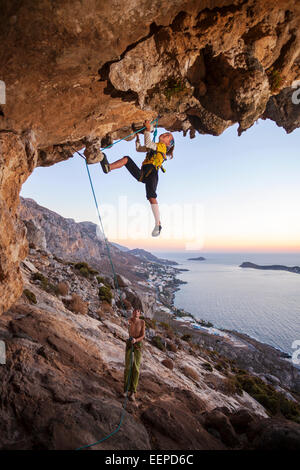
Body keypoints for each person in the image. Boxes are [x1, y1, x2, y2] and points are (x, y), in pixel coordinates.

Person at [99, 120, 175, 237]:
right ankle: (108, 168)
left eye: (167, 136)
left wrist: (147, 130)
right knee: (127, 159)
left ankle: (158, 223)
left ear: (167, 144)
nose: (165, 134)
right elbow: (140, 149)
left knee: (151, 196)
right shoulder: (157, 146)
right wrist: (138, 139)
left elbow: (149, 144)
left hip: (152, 173)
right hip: (144, 173)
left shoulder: (162, 147)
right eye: (166, 134)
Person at [124, 309, 145, 402]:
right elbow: (127, 327)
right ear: (133, 313)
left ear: (139, 314)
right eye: (135, 312)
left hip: (138, 344)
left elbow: (143, 335)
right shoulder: (130, 320)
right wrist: (127, 325)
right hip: (129, 342)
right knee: (128, 367)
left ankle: (133, 392)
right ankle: (125, 390)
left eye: (138, 312)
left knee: (136, 368)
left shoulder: (142, 322)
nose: (136, 313)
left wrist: (136, 340)